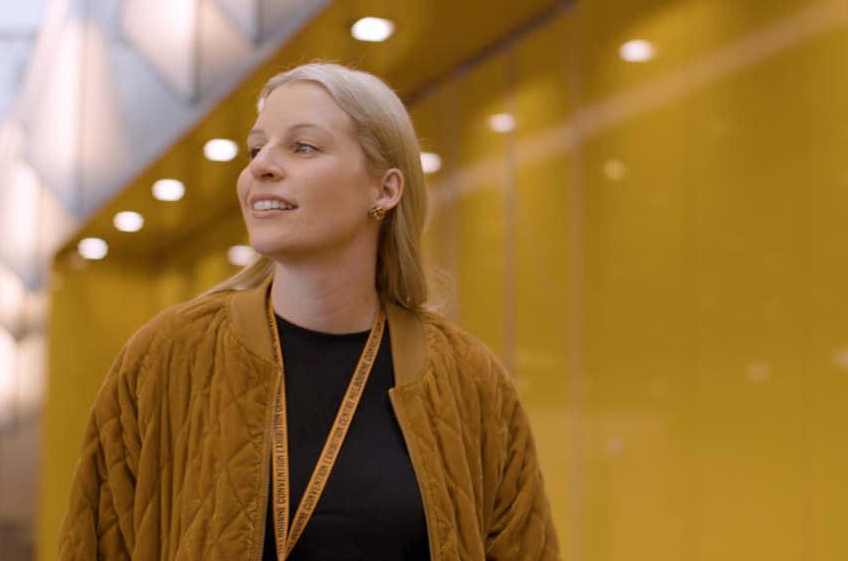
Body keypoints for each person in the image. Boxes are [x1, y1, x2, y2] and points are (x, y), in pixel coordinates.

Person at [60, 63, 560, 560]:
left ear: (384, 190)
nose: (261, 166)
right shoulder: (167, 356)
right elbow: (95, 542)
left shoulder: (469, 381)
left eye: (303, 147)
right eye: (257, 149)